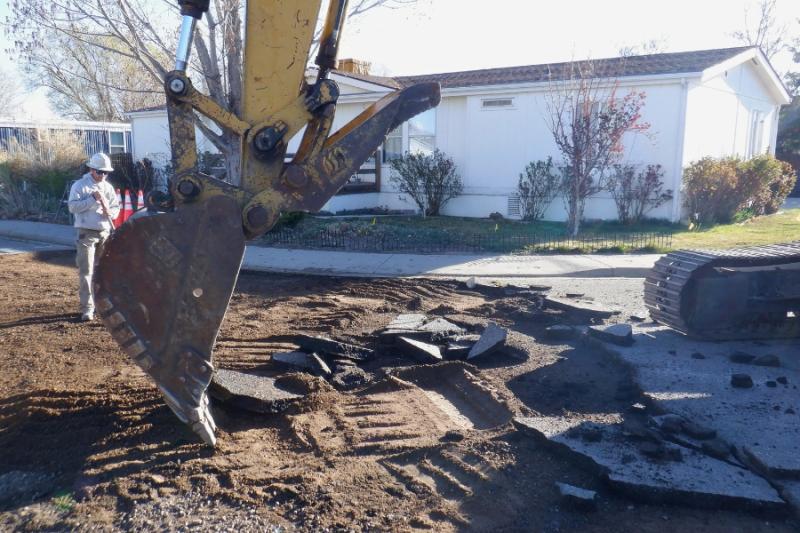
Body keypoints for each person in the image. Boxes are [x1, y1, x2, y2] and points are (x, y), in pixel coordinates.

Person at [68, 153, 120, 322]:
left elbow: (115, 207)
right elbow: (73, 207)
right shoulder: (80, 186)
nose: (102, 175)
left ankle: (103, 305)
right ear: (91, 169)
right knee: (87, 272)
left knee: (103, 271)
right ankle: (88, 308)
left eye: (105, 172)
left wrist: (110, 212)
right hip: (86, 234)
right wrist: (92, 199)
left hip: (104, 233)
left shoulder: (108, 187)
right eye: (99, 172)